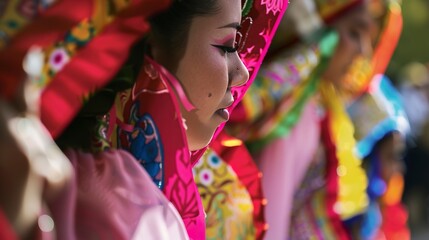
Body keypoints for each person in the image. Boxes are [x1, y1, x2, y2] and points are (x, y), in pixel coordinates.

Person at [0, 0, 288, 239]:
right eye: (227, 46)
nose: (243, 73)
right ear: (149, 50)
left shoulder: (211, 202)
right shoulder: (118, 205)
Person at [226, 0, 402, 239]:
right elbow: (271, 219)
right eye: (354, 32)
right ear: (323, 34)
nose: (363, 51)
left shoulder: (319, 109)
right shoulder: (293, 115)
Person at [348, 75, 410, 240]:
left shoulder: (372, 215)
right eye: (392, 156)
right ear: (367, 157)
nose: (400, 168)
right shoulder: (343, 211)